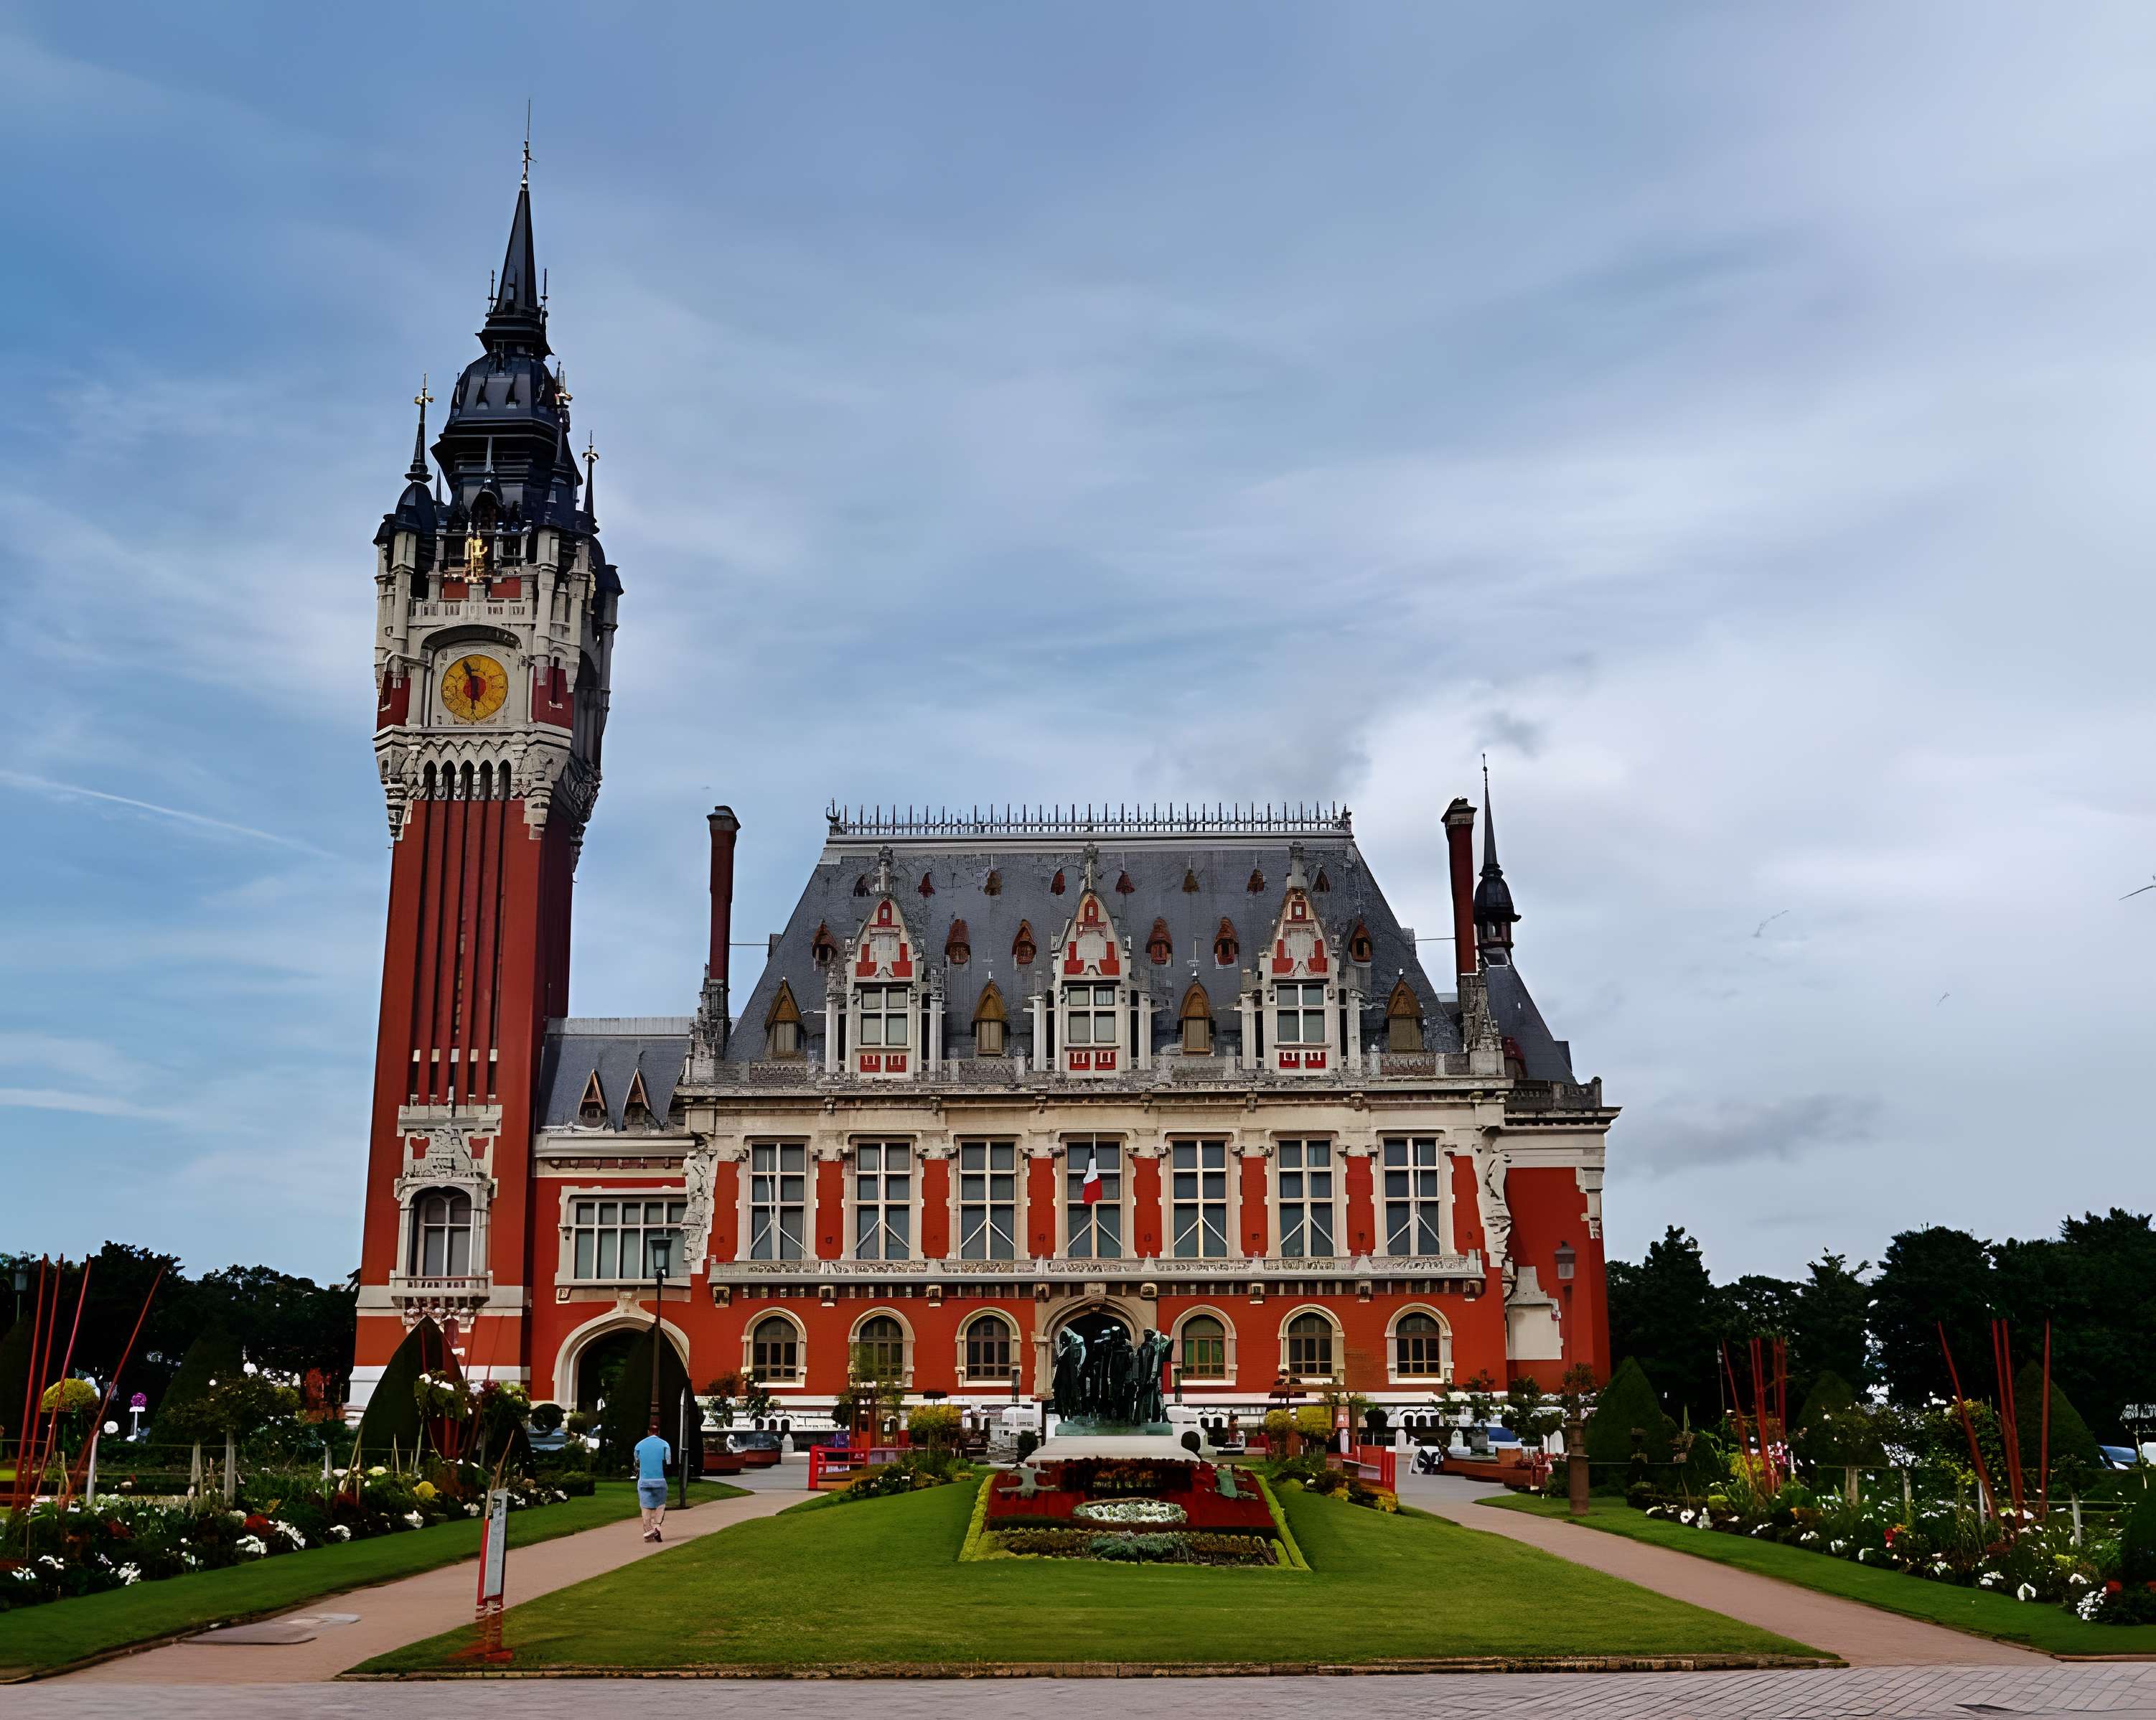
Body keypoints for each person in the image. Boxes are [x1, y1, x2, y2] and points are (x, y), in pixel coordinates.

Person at [633, 1419, 672, 1541]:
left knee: (645, 1505)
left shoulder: (639, 1445)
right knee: (660, 1505)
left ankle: (648, 1530)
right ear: (658, 1432)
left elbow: (637, 1461)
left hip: (644, 1480)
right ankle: (657, 1527)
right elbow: (668, 1461)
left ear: (648, 1432)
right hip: (659, 1480)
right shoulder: (665, 1444)